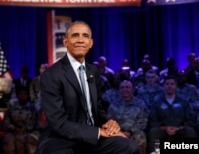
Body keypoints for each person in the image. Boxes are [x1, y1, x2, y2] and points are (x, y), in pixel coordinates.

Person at [37, 21, 139, 154]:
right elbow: (58, 123)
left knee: (129, 147)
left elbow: (97, 107)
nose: (80, 40)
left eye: (85, 36)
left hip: (92, 139)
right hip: (61, 140)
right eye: (75, 35)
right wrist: (97, 132)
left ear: (90, 43)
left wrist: (108, 123)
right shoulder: (51, 75)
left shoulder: (93, 71)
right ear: (65, 42)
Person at [147, 75, 197, 153]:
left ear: (176, 86)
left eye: (172, 84)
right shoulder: (157, 103)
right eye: (167, 84)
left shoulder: (184, 102)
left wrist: (178, 128)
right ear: (163, 86)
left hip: (180, 129)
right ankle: (156, 152)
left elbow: (190, 121)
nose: (169, 86)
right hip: (163, 130)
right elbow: (152, 121)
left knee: (190, 131)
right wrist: (165, 128)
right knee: (153, 131)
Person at [107, 80, 148, 154]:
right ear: (119, 90)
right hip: (118, 132)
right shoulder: (114, 105)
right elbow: (110, 122)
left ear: (132, 89)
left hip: (135, 131)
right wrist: (120, 132)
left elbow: (143, 121)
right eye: (122, 88)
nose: (125, 89)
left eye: (127, 87)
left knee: (140, 137)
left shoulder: (140, 103)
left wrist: (130, 132)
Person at [3, 87, 40, 154]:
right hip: (14, 131)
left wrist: (25, 130)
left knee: (29, 140)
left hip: (30, 132)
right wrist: (13, 128)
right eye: (20, 94)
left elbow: (37, 123)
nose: (23, 96)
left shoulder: (33, 108)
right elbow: (6, 122)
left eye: (25, 94)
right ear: (17, 95)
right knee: (8, 140)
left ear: (27, 95)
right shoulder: (12, 108)